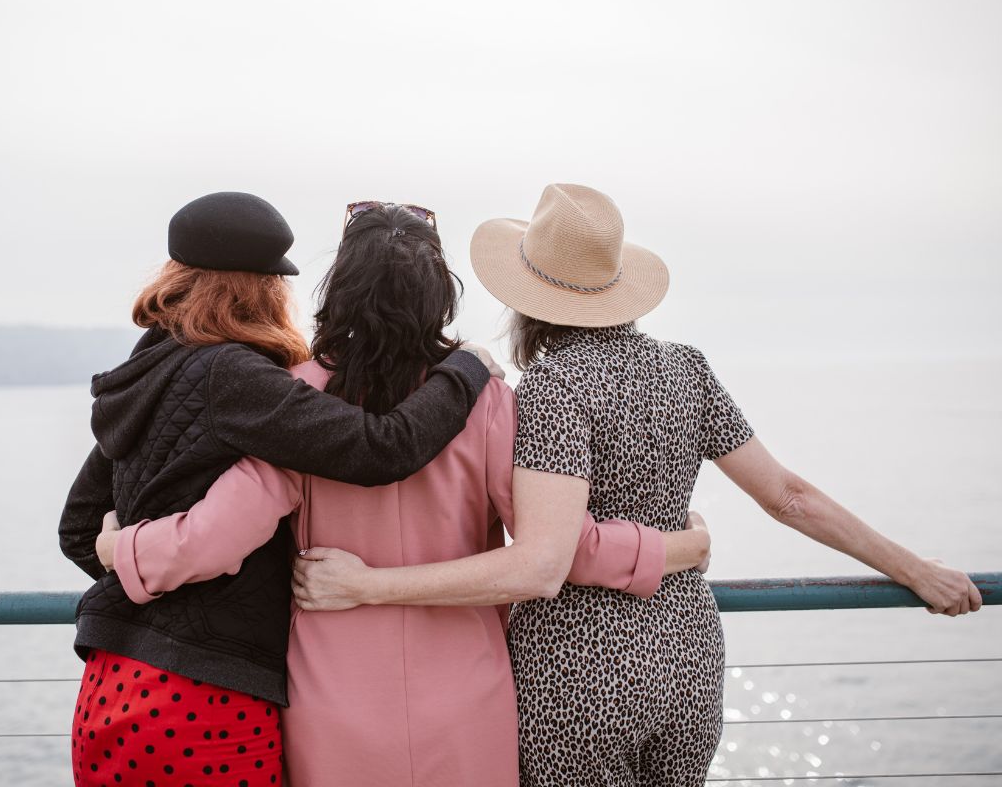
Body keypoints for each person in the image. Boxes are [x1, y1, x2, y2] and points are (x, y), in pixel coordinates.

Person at [293, 184, 984, 787]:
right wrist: (914, 570)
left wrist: (367, 585)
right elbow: (788, 496)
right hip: (687, 656)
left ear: (527, 297)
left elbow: (543, 556)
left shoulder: (551, 388)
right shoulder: (687, 368)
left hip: (577, 675)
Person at [93, 201, 713, 786]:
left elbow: (212, 540)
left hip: (333, 707)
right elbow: (562, 551)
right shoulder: (489, 402)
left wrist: (123, 546)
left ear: (338, 289)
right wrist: (675, 547)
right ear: (438, 296)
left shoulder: (298, 398)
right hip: (467, 704)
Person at [58, 192, 504, 787]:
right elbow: (384, 449)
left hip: (121, 684)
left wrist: (126, 562)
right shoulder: (255, 384)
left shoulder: (153, 374)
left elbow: (85, 528)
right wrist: (468, 368)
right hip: (221, 696)